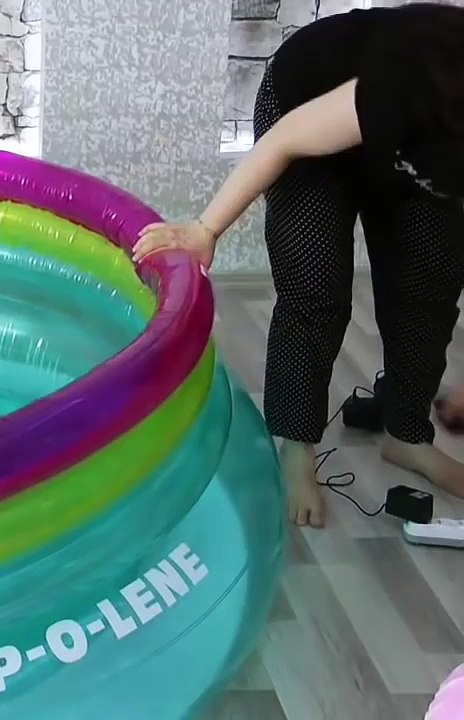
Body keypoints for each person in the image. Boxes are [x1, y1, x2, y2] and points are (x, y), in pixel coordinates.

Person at [133, 3, 464, 528]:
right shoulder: (416, 81)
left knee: (431, 282)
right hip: (311, 100)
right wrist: (205, 230)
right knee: (315, 288)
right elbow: (286, 140)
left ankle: (407, 435)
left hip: (414, 132)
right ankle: (297, 449)